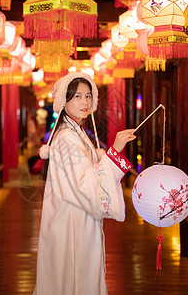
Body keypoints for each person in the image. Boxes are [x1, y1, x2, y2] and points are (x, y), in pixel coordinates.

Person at [33, 72, 136, 294]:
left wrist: (106, 157)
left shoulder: (74, 131)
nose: (85, 102)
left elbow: (89, 175)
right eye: (77, 96)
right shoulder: (66, 138)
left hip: (75, 217)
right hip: (72, 222)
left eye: (88, 96)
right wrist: (114, 150)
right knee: (75, 279)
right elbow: (83, 185)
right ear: (64, 100)